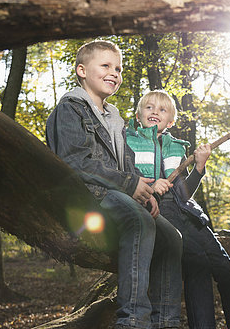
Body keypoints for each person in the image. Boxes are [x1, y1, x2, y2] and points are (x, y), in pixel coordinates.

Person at [46, 40, 182, 329]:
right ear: (82, 70)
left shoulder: (115, 118)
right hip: (87, 194)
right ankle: (132, 320)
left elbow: (126, 164)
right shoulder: (70, 108)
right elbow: (76, 162)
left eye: (118, 68)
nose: (114, 73)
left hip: (116, 190)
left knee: (172, 239)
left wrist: (144, 191)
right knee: (139, 221)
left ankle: (167, 321)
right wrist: (130, 184)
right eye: (105, 66)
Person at [126, 90, 230, 329]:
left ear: (171, 120)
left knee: (222, 262)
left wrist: (199, 166)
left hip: (190, 214)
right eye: (149, 107)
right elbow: (129, 179)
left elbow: (185, 193)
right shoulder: (129, 141)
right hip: (161, 212)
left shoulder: (177, 147)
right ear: (138, 114)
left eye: (162, 110)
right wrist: (152, 185)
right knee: (197, 263)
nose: (155, 112)